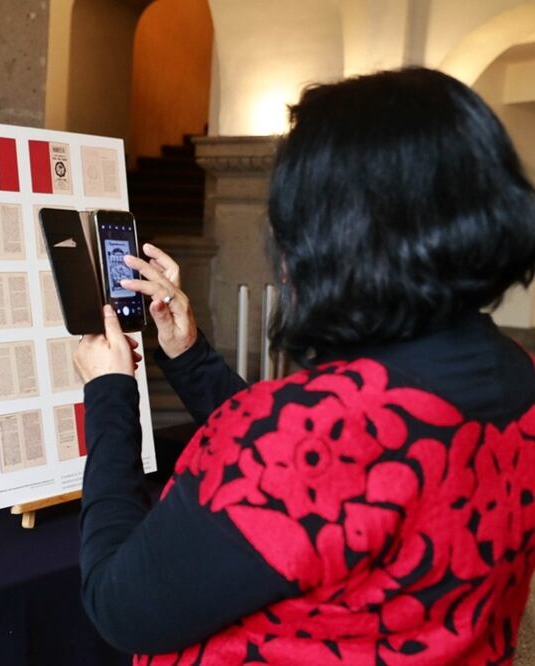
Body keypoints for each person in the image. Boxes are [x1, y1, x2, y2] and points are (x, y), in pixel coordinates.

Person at [73, 67, 535, 664]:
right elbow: (306, 488)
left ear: (329, 233)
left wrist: (111, 392)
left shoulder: (312, 430)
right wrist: (189, 355)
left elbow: (118, 604)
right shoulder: (516, 374)